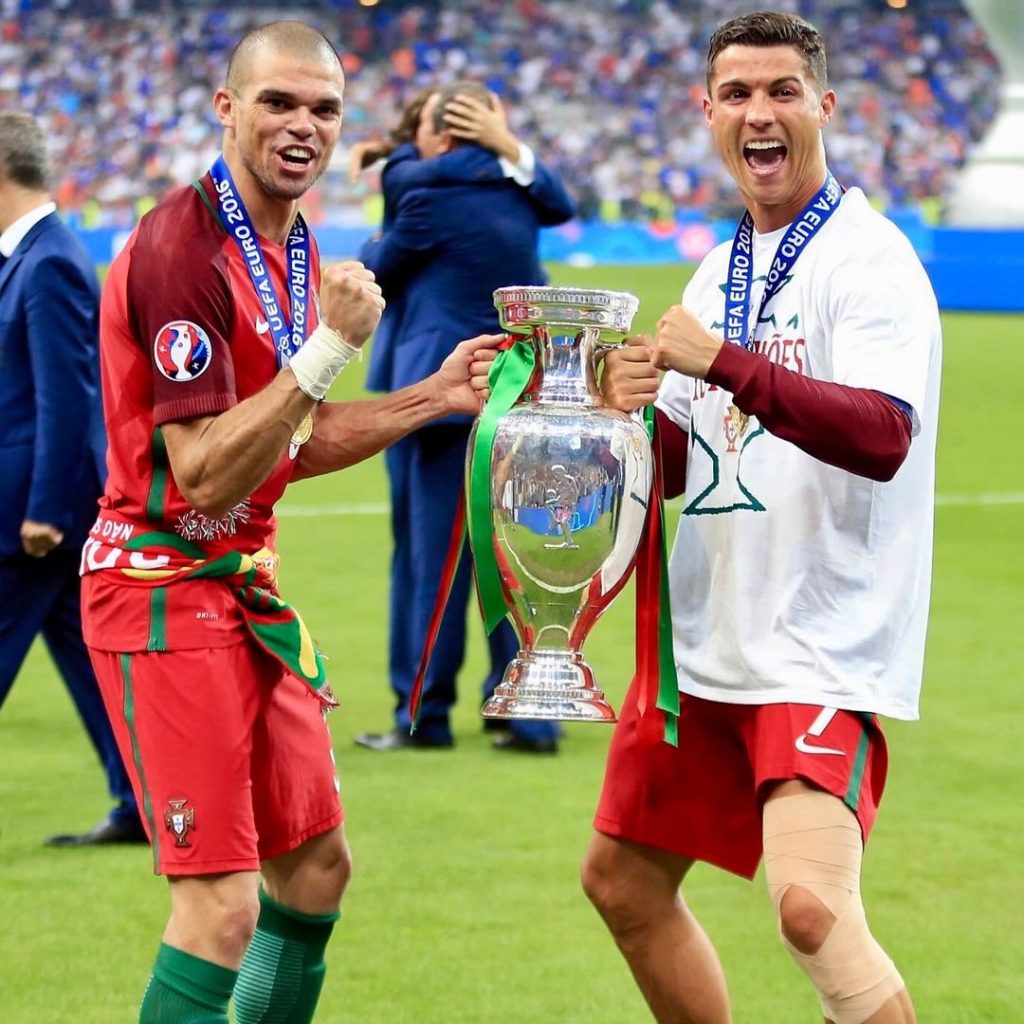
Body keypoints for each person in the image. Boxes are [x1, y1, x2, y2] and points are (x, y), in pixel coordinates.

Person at [80, 22, 504, 1023]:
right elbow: (201, 477)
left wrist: (429, 399)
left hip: (244, 594)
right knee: (220, 908)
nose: (302, 125)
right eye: (278, 102)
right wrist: (324, 351)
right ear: (227, 109)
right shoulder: (179, 249)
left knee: (314, 867)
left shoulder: (294, 245)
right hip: (161, 594)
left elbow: (285, 442)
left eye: (322, 109)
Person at [579, 12, 940, 1024]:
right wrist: (625, 416)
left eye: (781, 90)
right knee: (623, 883)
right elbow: (698, 458)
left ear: (823, 107)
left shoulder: (868, 260)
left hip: (817, 639)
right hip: (708, 650)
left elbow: (880, 433)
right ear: (707, 114)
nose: (759, 112)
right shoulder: (716, 274)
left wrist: (723, 363)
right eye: (736, 94)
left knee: (812, 910)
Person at [353, 81, 576, 754]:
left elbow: (374, 270)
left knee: (432, 566)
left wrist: (388, 174)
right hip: (523, 395)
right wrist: (506, 145)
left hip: (444, 403)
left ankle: (422, 714)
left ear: (444, 137)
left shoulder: (421, 191)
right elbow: (561, 201)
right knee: (519, 561)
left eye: (417, 128)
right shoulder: (519, 191)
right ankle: (526, 710)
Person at [0, 111, 144, 847]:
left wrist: (48, 508)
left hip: (35, 513)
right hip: (42, 509)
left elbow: (68, 394)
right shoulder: (30, 257)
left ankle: (141, 803)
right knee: (91, 664)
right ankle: (142, 804)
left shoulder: (49, 260)